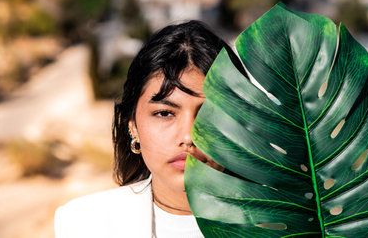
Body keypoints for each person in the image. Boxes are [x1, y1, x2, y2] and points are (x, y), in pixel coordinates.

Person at [54, 20, 246, 238]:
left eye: (209, 114)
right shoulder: (84, 223)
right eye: (164, 113)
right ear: (133, 126)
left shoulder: (282, 225)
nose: (188, 136)